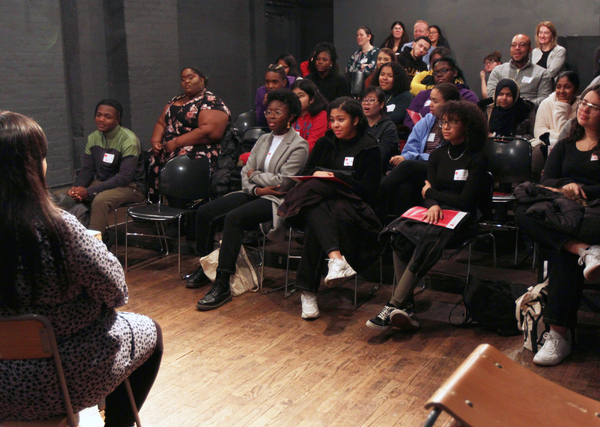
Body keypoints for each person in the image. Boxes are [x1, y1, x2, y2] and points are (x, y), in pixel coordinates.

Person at [0, 111, 162, 426]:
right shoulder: (60, 230)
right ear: (33, 167)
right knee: (150, 331)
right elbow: (117, 292)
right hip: (60, 379)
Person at [367, 101, 489, 331]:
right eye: (444, 122)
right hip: (436, 211)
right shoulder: (438, 155)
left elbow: (466, 201)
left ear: (468, 125)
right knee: (398, 231)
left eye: (452, 122)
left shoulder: (477, 157)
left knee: (427, 237)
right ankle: (407, 307)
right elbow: (427, 191)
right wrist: (432, 202)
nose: (445, 126)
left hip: (462, 217)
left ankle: (393, 305)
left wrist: (431, 195)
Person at [187, 89, 309, 311]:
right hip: (256, 193)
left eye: (278, 112)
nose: (271, 116)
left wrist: (254, 175)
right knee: (205, 212)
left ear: (291, 116)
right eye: (269, 112)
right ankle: (206, 267)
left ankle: (222, 283)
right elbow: (244, 173)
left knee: (234, 218)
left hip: (275, 201)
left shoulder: (300, 145)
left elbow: (283, 183)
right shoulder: (263, 139)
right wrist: (256, 187)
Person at [514, 85, 600, 366]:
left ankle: (558, 336)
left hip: (594, 213)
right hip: (565, 212)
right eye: (583, 103)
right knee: (523, 211)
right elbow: (547, 179)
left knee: (562, 249)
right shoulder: (565, 143)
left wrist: (584, 189)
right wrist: (567, 185)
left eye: (593, 106)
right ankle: (585, 251)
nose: (584, 108)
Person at [277, 97, 383, 320]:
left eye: (341, 120)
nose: (335, 125)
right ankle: (335, 260)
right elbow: (308, 170)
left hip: (354, 208)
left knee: (318, 209)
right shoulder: (325, 142)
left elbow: (369, 191)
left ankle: (308, 292)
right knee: (319, 206)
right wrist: (322, 178)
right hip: (324, 207)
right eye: (332, 120)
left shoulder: (370, 147)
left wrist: (336, 177)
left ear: (355, 120)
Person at [56, 99, 146, 242]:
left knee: (100, 200)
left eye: (108, 117)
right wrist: (77, 187)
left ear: (118, 119)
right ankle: (69, 241)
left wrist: (90, 191)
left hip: (130, 187)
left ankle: (95, 246)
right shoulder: (94, 137)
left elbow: (124, 178)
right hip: (102, 183)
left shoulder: (128, 139)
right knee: (59, 196)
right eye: (99, 115)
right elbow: (87, 170)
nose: (101, 119)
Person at [378, 83, 461, 219]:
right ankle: (402, 230)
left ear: (449, 103)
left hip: (441, 169)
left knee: (406, 165)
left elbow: (440, 157)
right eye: (430, 100)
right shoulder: (427, 120)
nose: (430, 105)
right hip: (420, 170)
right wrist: (410, 157)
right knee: (404, 188)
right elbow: (410, 148)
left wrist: (412, 157)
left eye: (435, 101)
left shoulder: (454, 125)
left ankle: (377, 197)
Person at [149, 67, 231, 203]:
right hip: (169, 150)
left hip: (197, 151)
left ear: (202, 79)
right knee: (149, 156)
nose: (186, 81)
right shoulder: (175, 100)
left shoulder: (210, 101)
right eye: (183, 79)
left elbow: (209, 132)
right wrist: (155, 141)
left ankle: (182, 210)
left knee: (181, 161)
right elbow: (161, 123)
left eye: (191, 77)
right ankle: (161, 207)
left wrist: (176, 143)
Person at [404, 56, 479, 130]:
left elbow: (471, 123)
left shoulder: (467, 95)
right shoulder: (423, 95)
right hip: (420, 137)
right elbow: (409, 121)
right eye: (436, 72)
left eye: (444, 70)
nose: (439, 74)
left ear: (455, 73)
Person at [532, 71, 580, 181]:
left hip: (572, 148)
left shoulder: (580, 107)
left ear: (576, 89)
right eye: (558, 87)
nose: (561, 91)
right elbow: (539, 132)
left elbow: (574, 135)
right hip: (548, 146)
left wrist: (561, 108)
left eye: (567, 87)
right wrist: (560, 137)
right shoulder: (546, 103)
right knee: (537, 155)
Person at [487, 34, 553, 107]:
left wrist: (520, 105)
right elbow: (491, 95)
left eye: (522, 45)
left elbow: (544, 100)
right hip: (502, 114)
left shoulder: (542, 73)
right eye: (514, 45)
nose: (517, 48)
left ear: (530, 49)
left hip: (528, 115)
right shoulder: (498, 70)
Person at [361, 86, 400, 171]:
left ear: (381, 105)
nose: (366, 103)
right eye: (364, 100)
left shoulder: (388, 127)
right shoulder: (358, 124)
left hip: (381, 170)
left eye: (371, 100)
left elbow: (382, 154)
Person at [369, 61, 413, 127]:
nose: (384, 78)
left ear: (398, 79)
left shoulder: (405, 96)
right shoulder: (372, 93)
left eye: (390, 76)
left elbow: (394, 119)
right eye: (382, 74)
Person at [291, 79, 329, 152]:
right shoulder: (291, 115)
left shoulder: (321, 116)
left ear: (311, 99)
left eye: (301, 96)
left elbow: (312, 145)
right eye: (294, 96)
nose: (296, 100)